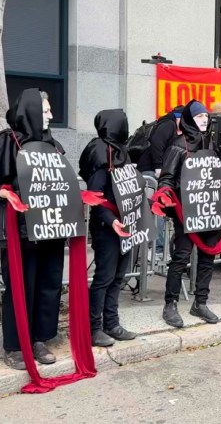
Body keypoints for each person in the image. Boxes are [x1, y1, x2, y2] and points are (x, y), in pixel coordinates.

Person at [0, 89, 66, 370]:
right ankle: (14, 345)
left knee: (49, 285)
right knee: (19, 287)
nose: (51, 115)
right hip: (19, 229)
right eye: (46, 110)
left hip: (51, 226)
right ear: (31, 110)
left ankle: (40, 338)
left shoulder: (54, 145)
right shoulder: (4, 142)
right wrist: (5, 193)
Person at [158, 101, 221, 327]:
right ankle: (170, 304)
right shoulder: (178, 145)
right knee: (181, 258)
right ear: (189, 120)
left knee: (207, 258)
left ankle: (201, 303)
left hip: (209, 210)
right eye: (199, 117)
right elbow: (166, 178)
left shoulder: (210, 144)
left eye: (206, 116)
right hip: (186, 212)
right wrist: (165, 194)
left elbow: (218, 179)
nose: (204, 119)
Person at [78, 109, 138, 347]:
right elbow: (95, 196)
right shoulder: (101, 153)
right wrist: (111, 220)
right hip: (107, 226)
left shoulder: (121, 152)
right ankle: (94, 328)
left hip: (125, 223)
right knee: (104, 277)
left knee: (117, 277)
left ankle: (112, 323)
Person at [137, 105, 183, 257]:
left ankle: (155, 248)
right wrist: (158, 167)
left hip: (152, 170)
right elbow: (157, 143)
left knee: (155, 208)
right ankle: (156, 248)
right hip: (150, 171)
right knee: (155, 208)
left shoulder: (168, 124)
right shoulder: (168, 124)